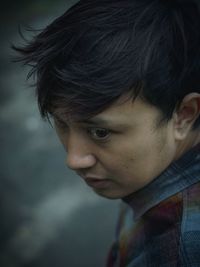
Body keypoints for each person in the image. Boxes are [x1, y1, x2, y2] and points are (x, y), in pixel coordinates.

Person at [14, 0, 200, 266]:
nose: (74, 160)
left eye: (100, 132)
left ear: (184, 115)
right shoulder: (150, 176)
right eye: (62, 124)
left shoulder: (174, 252)